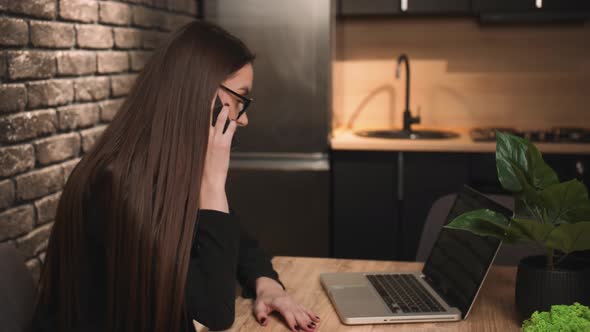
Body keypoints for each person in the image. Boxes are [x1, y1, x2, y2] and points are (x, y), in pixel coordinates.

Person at [30, 20, 320, 332]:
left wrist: (268, 286)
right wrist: (212, 185)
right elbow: (214, 310)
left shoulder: (166, 169)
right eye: (239, 99)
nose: (244, 118)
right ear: (201, 94)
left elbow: (237, 242)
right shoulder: (117, 186)